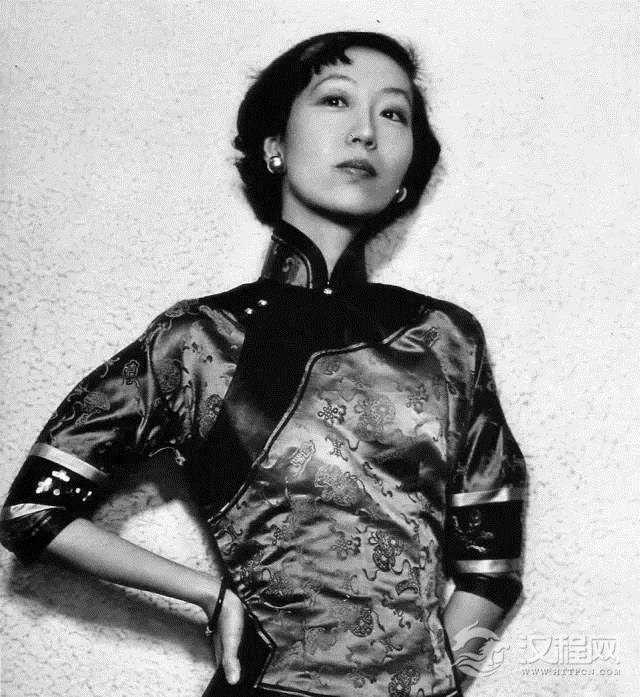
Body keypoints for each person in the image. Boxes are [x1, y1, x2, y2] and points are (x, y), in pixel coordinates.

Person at [0, 31, 526, 697]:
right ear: (274, 145)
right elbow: (32, 511)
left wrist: (439, 686)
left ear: (405, 174)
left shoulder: (446, 339)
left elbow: (492, 569)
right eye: (335, 100)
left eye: (393, 113)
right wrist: (209, 593)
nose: (366, 131)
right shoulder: (200, 339)